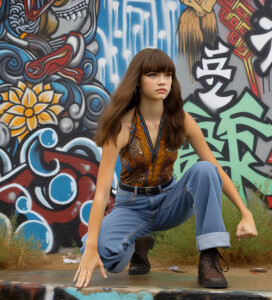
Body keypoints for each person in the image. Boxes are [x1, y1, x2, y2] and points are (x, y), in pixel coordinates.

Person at [74, 48, 257, 289]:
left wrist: (246, 212)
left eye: (168, 75)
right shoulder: (121, 126)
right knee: (101, 254)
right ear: (137, 80)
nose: (162, 81)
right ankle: (139, 242)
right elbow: (101, 192)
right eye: (152, 74)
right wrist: (90, 249)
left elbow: (214, 168)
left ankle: (209, 260)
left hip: (170, 201)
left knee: (204, 170)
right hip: (132, 206)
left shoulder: (180, 119)